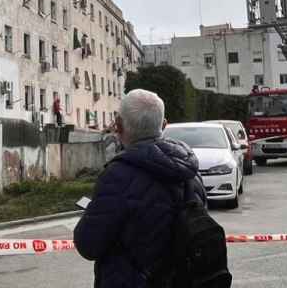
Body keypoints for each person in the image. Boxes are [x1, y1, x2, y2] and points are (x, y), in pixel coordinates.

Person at [75, 89, 208, 287]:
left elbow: (88, 245)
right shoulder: (190, 173)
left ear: (118, 126)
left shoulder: (117, 177)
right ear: (164, 125)